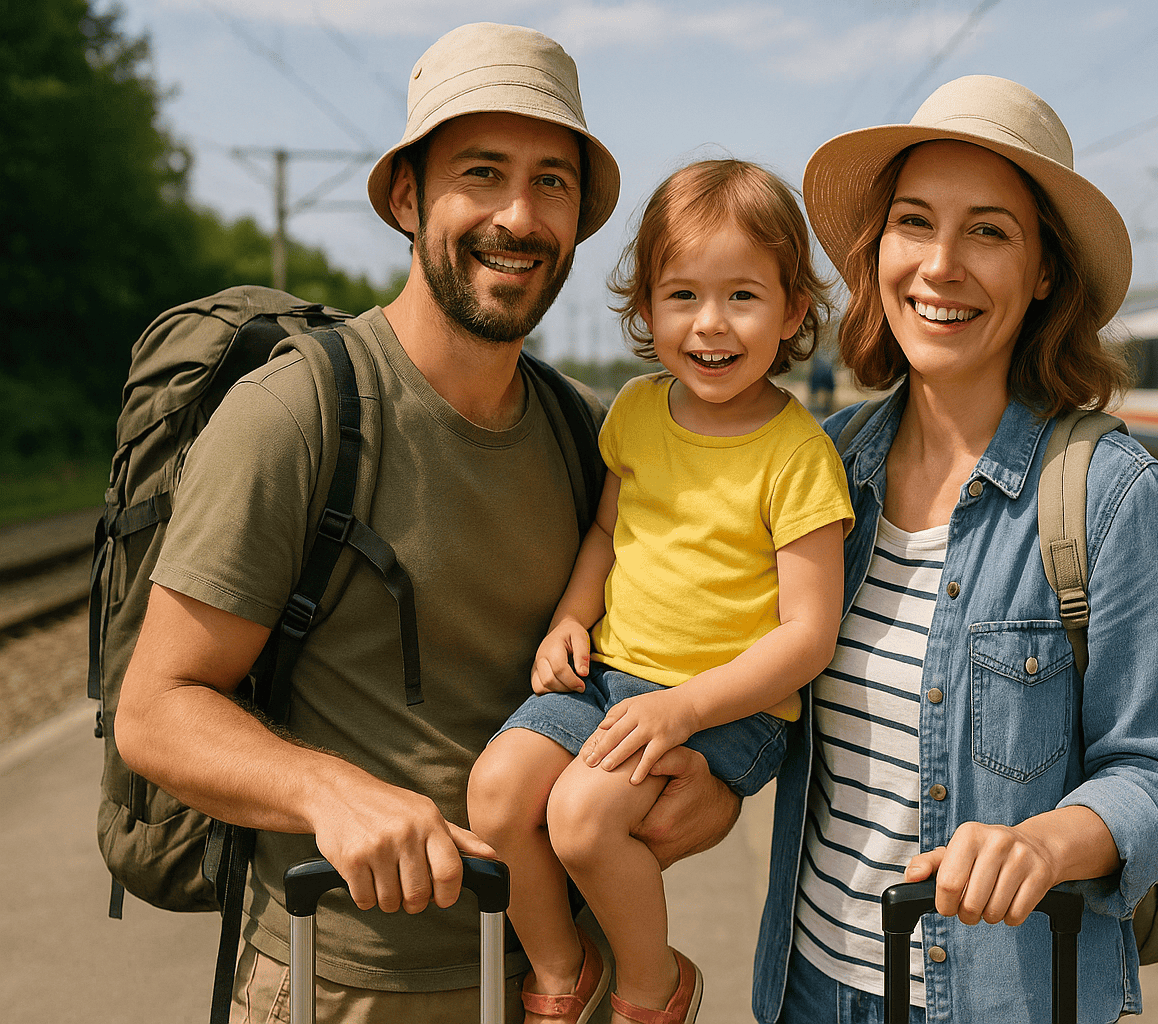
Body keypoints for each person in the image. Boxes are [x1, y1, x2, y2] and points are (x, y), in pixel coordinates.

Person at [115, 24, 740, 1022]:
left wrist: (712, 782)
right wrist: (327, 790)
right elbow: (157, 708)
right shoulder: (300, 415)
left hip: (555, 982)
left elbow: (690, 637)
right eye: (481, 174)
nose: (519, 217)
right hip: (343, 983)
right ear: (407, 197)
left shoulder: (592, 435)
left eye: (552, 183)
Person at [751, 76, 1158, 1023]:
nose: (942, 266)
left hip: (1000, 997)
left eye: (990, 231)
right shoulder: (825, 468)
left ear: (1045, 272)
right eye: (915, 223)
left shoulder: (1111, 497)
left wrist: (1045, 843)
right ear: (878, 251)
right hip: (810, 985)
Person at [466, 159, 854, 1024]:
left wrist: (683, 712)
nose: (710, 325)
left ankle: (652, 987)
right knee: (495, 791)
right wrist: (570, 617)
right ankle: (565, 971)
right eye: (681, 295)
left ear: (794, 311)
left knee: (583, 818)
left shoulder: (799, 457)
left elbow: (807, 637)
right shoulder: (637, 412)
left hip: (728, 709)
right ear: (645, 309)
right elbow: (607, 533)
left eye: (743, 298)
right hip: (613, 678)